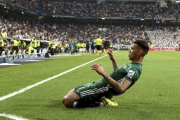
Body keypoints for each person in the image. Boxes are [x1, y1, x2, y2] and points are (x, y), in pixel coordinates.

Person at [62, 40, 149, 108]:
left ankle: (98, 103)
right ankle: (100, 100)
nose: (130, 50)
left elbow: (121, 88)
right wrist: (113, 60)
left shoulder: (135, 69)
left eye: (132, 49)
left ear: (139, 52)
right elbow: (118, 74)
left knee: (67, 101)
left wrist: (103, 73)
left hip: (100, 89)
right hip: (98, 84)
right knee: (69, 93)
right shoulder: (132, 65)